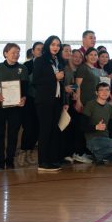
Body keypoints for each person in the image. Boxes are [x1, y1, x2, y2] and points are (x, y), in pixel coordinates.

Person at [0, 43, 29, 169]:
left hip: (15, 107)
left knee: (13, 134)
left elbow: (25, 87)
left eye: (18, 52)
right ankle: (0, 160)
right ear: (5, 53)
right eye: (13, 52)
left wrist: (24, 97)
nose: (16, 55)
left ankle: (10, 159)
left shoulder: (23, 68)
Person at [32, 35, 68, 172]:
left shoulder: (60, 61)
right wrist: (54, 77)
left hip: (57, 100)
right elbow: (36, 80)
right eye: (53, 44)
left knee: (54, 130)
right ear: (47, 46)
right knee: (45, 130)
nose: (55, 47)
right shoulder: (40, 60)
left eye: (58, 45)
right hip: (44, 101)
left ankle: (52, 159)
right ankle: (43, 162)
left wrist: (64, 101)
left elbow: (62, 83)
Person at [19, 41, 43, 166]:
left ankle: (30, 152)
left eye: (42, 49)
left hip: (42, 101)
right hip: (28, 100)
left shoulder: (47, 64)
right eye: (38, 49)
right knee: (29, 127)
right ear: (33, 51)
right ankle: (23, 152)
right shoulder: (26, 65)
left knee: (38, 127)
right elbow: (23, 82)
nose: (40, 51)